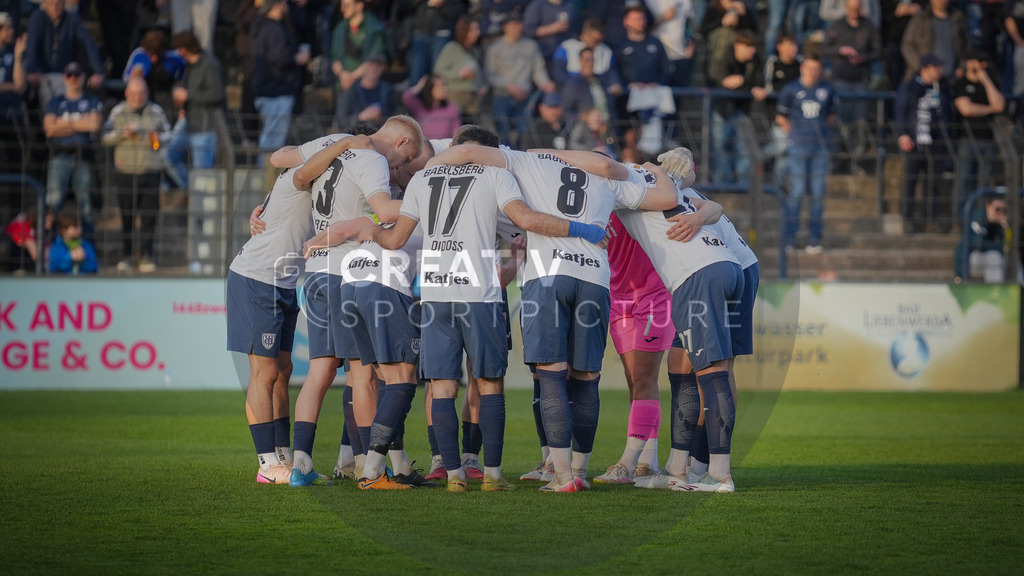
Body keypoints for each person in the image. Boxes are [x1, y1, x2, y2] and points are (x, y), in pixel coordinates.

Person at [367, 131, 617, 492]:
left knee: (442, 387)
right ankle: (492, 476)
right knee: (489, 383)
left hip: (434, 293)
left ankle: (453, 476)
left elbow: (394, 239)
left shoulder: (422, 179)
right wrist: (584, 230)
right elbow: (526, 219)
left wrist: (370, 232)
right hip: (479, 293)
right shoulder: (496, 174)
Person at [428, 144, 677, 491]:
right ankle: (580, 472)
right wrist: (658, 168)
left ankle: (560, 475)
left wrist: (431, 166)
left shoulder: (529, 160)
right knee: (587, 378)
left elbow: (468, 149)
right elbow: (667, 197)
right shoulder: (607, 178)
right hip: (593, 278)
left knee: (550, 376)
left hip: (546, 277)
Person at [286, 116, 424, 486]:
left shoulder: (335, 151)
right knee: (364, 376)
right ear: (401, 142)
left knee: (320, 372)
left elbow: (284, 161)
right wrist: (429, 200)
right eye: (404, 159)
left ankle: (302, 464)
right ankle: (368, 467)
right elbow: (386, 210)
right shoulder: (372, 159)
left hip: (315, 272)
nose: (398, 169)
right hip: (344, 270)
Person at [610, 164, 744, 493]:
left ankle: (719, 475)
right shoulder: (660, 184)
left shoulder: (626, 190)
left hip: (696, 274)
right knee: (686, 369)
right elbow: (704, 197)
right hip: (728, 266)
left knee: (712, 375)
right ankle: (677, 470)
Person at [101, 78, 171, 273]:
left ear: (146, 93)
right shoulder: (118, 112)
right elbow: (104, 136)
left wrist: (158, 138)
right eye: (133, 94)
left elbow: (170, 134)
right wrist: (122, 133)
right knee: (127, 216)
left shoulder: (156, 111)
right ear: (126, 94)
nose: (137, 97)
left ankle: (147, 255)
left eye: (141, 93)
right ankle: (127, 255)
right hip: (126, 172)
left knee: (149, 217)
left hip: (150, 170)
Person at [776, 54, 837, 253]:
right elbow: (780, 117)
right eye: (809, 68)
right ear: (802, 68)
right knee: (797, 191)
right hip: (798, 146)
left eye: (816, 69)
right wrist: (795, 135)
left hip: (820, 147)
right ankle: (790, 238)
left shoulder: (827, 89)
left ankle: (815, 238)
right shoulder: (791, 89)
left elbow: (831, 115)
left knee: (818, 193)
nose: (812, 72)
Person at [895, 53, 953, 233]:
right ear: (925, 68)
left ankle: (931, 219)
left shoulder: (942, 88)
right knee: (910, 182)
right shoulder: (909, 87)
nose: (940, 70)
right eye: (936, 67)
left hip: (935, 144)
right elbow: (900, 110)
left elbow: (945, 114)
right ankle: (907, 218)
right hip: (914, 143)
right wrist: (903, 134)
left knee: (933, 183)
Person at [43, 61, 101, 237]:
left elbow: (94, 125)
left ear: (83, 77)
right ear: (64, 78)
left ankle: (89, 247)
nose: (73, 79)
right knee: (54, 202)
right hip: (59, 155)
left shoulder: (91, 100)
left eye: (77, 75)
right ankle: (50, 244)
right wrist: (79, 123)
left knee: (86, 204)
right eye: (70, 75)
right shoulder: (56, 101)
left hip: (83, 156)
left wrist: (64, 122)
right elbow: (49, 129)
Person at [821, 0, 882, 161]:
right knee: (839, 118)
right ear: (846, 7)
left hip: (861, 79)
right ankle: (837, 157)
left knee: (859, 120)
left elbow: (878, 52)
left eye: (857, 9)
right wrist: (839, 50)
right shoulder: (837, 25)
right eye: (852, 9)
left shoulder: (869, 26)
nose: (855, 12)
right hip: (839, 79)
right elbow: (824, 49)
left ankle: (856, 159)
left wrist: (863, 58)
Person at [484, 14, 555, 148]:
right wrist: (508, 86)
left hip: (525, 96)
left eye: (519, 24)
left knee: (525, 131)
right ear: (505, 27)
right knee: (503, 132)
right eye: (513, 24)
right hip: (502, 94)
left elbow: (538, 69)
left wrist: (545, 83)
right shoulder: (495, 48)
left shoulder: (531, 45)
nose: (517, 28)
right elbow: (490, 75)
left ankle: (521, 155)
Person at [251, 0, 310, 157]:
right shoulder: (273, 29)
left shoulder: (264, 27)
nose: (286, 7)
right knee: (273, 141)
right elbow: (278, 57)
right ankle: (268, 171)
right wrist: (297, 58)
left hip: (268, 89)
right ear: (276, 5)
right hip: (276, 90)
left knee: (271, 136)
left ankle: (267, 169)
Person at [707, 29, 766, 184]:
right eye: (748, 46)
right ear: (737, 46)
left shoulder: (755, 60)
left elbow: (759, 83)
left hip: (741, 110)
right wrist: (749, 86)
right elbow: (723, 83)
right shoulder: (723, 58)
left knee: (743, 148)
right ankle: (722, 184)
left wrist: (742, 81)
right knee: (720, 147)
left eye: (753, 46)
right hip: (722, 110)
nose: (752, 50)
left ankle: (742, 185)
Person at [616, 3, 675, 155]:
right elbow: (615, 71)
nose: (640, 22)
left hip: (654, 101)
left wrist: (657, 84)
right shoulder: (620, 45)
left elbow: (668, 68)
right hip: (627, 103)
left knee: (652, 138)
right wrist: (628, 84)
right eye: (636, 19)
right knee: (630, 139)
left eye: (642, 18)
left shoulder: (655, 43)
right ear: (626, 22)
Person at [23, 0, 103, 110]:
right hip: (42, 76)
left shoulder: (72, 18)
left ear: (64, 4)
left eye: (58, 3)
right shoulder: (38, 18)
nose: (55, 7)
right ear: (45, 4)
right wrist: (31, 71)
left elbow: (88, 44)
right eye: (51, 4)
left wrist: (98, 71)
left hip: (65, 75)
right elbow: (31, 46)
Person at [953, 49, 1005, 217]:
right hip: (967, 140)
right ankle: (960, 221)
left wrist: (986, 80)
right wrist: (990, 108)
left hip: (988, 140)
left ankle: (979, 219)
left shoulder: (990, 82)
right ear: (969, 63)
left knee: (984, 183)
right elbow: (966, 109)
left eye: (983, 62)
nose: (982, 65)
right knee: (963, 181)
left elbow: (1000, 105)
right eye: (978, 61)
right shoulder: (961, 84)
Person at [172, 30, 224, 172]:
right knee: (168, 156)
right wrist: (182, 105)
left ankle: (195, 186)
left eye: (178, 49)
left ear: (184, 49)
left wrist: (188, 95)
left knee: (202, 172)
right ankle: (188, 184)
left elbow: (217, 94)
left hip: (205, 126)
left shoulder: (210, 64)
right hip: (188, 121)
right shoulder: (189, 65)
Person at [433, 16, 487, 120]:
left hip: (473, 102)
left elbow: (478, 75)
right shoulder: (451, 48)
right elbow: (438, 71)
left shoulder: (474, 51)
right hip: (455, 100)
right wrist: (459, 73)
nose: (478, 32)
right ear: (464, 30)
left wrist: (482, 86)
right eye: (474, 29)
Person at [900, 0, 968, 81]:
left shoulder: (957, 19)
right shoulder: (921, 19)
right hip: (924, 79)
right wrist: (921, 67)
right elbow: (907, 45)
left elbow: (966, 45)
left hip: (951, 78)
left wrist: (962, 66)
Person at [329, 0, 387, 94]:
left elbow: (375, 59)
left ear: (359, 5)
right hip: (342, 85)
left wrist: (352, 77)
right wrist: (342, 75)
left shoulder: (374, 28)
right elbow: (334, 57)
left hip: (366, 88)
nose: (342, 9)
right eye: (342, 5)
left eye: (347, 5)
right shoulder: (340, 28)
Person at [403, 0, 463, 86]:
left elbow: (457, 12)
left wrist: (443, 4)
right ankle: (414, 94)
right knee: (416, 73)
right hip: (419, 32)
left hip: (442, 33)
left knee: (438, 75)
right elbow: (402, 7)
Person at [955, 195, 1010, 283]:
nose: (1001, 213)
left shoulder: (1002, 224)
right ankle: (996, 289)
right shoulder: (978, 217)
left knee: (1014, 261)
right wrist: (1000, 248)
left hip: (991, 259)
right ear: (988, 207)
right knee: (993, 257)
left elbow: (1008, 247)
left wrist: (1006, 230)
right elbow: (978, 244)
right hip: (969, 261)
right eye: (997, 209)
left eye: (1004, 210)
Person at [644, 0, 697, 88]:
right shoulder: (648, 2)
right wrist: (663, 18)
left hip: (680, 55)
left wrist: (691, 44)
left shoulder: (685, 1)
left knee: (679, 92)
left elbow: (689, 24)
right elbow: (641, 28)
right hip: (655, 57)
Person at [560, 46, 618, 125]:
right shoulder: (573, 84)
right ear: (580, 61)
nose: (590, 63)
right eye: (587, 59)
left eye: (592, 59)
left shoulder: (602, 81)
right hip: (588, 128)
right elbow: (565, 111)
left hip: (609, 125)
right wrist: (584, 119)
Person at [334, 54, 393, 129]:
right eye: (371, 65)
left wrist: (380, 118)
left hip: (380, 131)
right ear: (364, 68)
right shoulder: (351, 90)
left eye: (378, 66)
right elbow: (341, 119)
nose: (374, 69)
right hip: (356, 132)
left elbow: (392, 115)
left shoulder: (386, 90)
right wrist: (360, 117)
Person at [0, 12, 25, 173]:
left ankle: (16, 190)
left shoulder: (14, 51)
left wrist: (18, 57)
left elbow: (20, 85)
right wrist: (10, 86)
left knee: (16, 158)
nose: (12, 31)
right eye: (7, 28)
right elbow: (14, 85)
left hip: (13, 115)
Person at [401, 74, 461, 140]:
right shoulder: (420, 107)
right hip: (425, 144)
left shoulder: (451, 107)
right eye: (439, 86)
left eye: (444, 85)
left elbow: (456, 131)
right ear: (430, 88)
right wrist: (419, 86)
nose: (444, 88)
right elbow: (406, 97)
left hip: (445, 145)